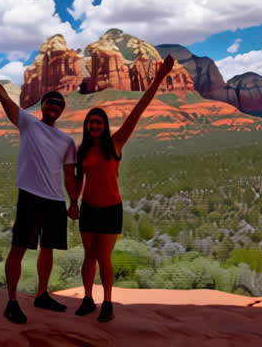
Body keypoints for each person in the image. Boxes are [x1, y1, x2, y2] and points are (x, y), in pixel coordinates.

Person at [0, 41, 80, 325]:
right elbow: (2, 96)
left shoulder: (67, 141)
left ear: (62, 110)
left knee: (48, 249)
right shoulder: (28, 123)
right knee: (18, 247)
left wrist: (75, 201)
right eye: (50, 103)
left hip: (55, 200)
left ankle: (42, 294)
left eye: (59, 104)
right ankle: (13, 301)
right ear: (43, 106)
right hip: (30, 195)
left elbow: (69, 175)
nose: (54, 107)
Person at [74, 53, 176, 323]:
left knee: (104, 258)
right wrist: (73, 202)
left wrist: (160, 77)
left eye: (98, 122)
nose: (94, 125)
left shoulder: (116, 143)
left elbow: (139, 109)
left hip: (110, 209)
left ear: (104, 126)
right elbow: (76, 180)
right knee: (88, 257)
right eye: (91, 122)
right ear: (87, 126)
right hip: (89, 209)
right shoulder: (81, 150)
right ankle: (87, 299)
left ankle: (107, 302)